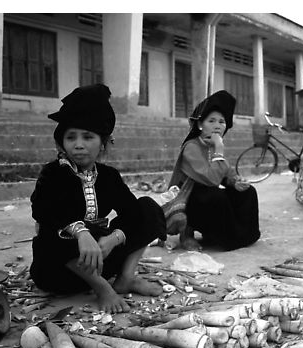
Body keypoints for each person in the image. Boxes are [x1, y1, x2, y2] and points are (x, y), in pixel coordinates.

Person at [30, 84, 166, 314]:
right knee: (49, 231)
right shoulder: (52, 173)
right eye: (71, 137)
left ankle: (125, 278)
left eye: (88, 136)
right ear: (61, 143)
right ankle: (103, 289)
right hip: (59, 271)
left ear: (103, 143)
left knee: (148, 207)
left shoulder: (109, 176)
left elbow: (132, 213)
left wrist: (113, 238)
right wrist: (80, 233)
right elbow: (43, 210)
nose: (79, 144)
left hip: (101, 259)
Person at [168, 90, 261, 251]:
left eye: (221, 121)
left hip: (209, 194)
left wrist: (236, 182)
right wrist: (219, 148)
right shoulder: (192, 147)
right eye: (211, 121)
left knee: (248, 192)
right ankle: (187, 234)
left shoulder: (214, 145)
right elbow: (210, 178)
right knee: (216, 197)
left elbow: (226, 173)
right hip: (190, 199)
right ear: (199, 124)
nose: (217, 126)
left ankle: (239, 236)